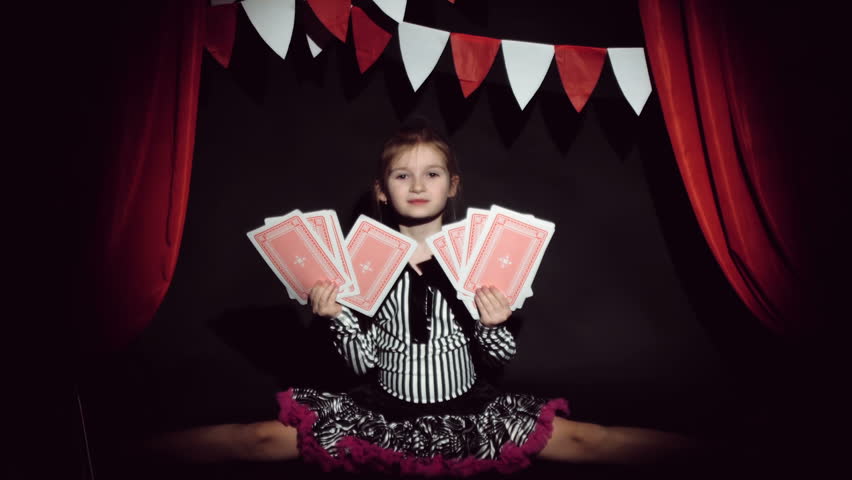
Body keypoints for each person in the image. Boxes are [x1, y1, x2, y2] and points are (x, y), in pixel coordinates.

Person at [146, 121, 698, 475]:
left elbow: (498, 357)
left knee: (590, 443)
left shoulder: (478, 254)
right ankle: (105, 457)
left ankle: (745, 459)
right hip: (379, 411)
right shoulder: (362, 261)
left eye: (431, 173)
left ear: (452, 185)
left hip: (470, 410)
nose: (417, 184)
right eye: (402, 175)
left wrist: (493, 322)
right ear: (382, 191)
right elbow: (360, 363)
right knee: (257, 441)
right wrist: (336, 317)